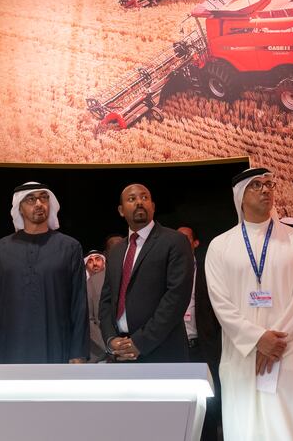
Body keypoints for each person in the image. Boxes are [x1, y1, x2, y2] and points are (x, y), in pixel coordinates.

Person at [205, 167, 293, 440]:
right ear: (240, 196)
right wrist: (257, 339)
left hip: (292, 355)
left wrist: (274, 343)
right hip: (243, 358)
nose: (265, 190)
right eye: (256, 185)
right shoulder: (220, 246)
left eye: (269, 184)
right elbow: (221, 303)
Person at [0, 182, 88, 363]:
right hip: (9, 348)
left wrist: (78, 352)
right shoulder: (0, 249)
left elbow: (79, 304)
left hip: (55, 348)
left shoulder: (70, 248)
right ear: (19, 208)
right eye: (31, 199)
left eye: (43, 198)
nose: (38, 203)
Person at [99, 183, 194, 363]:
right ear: (121, 210)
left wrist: (141, 342)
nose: (139, 202)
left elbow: (176, 298)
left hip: (163, 351)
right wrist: (111, 340)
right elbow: (106, 301)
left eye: (144, 197)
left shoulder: (175, 241)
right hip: (121, 353)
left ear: (153, 206)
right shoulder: (117, 250)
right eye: (132, 199)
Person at [178, 225, 222, 441]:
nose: (181, 242)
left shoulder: (207, 272)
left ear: (196, 243)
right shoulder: (167, 273)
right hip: (177, 350)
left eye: (186, 238)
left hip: (202, 348)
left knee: (208, 406)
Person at [84, 249, 107, 362]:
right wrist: (106, 344)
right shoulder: (84, 286)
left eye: (98, 259)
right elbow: (89, 318)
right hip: (97, 348)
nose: (94, 263)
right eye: (90, 261)